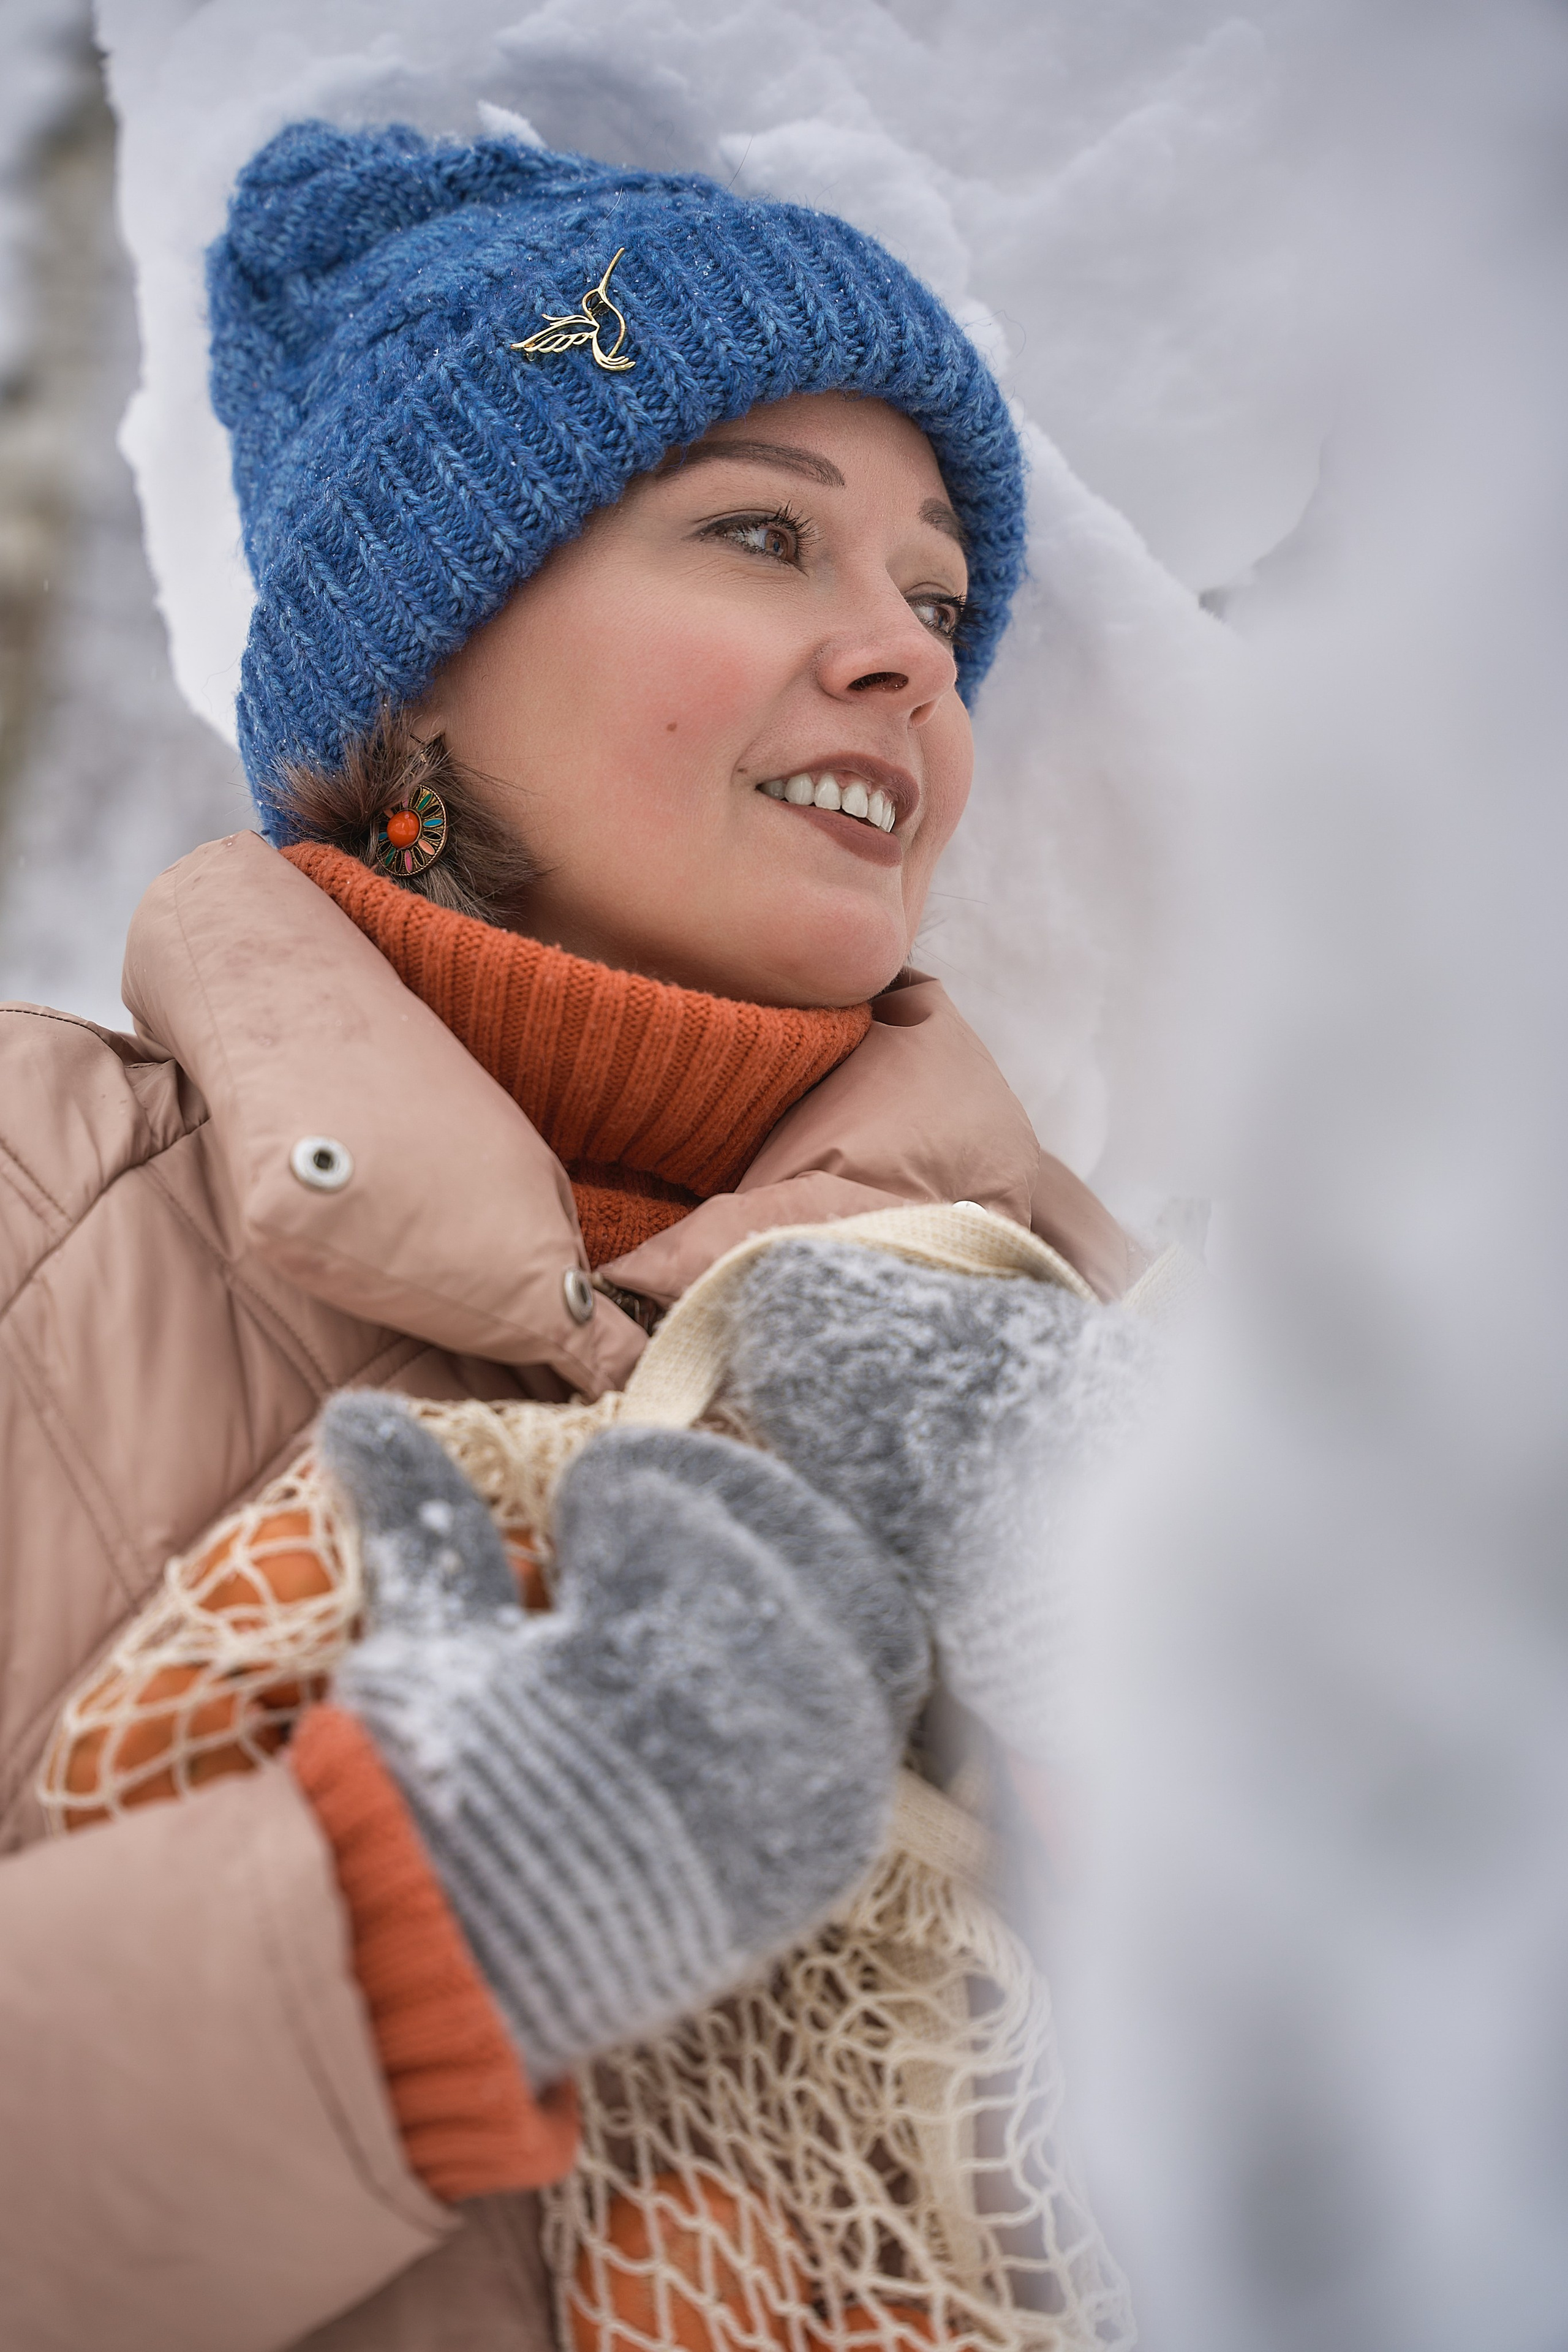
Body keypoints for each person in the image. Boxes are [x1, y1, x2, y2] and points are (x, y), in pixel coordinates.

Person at [0, 121, 1141, 2350]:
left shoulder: (1101, 1351)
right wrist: (420, 1929)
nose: (904, 661)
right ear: (421, 671)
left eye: (933, 599)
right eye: (758, 534)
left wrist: (1106, 1726)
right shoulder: (34, 1203)